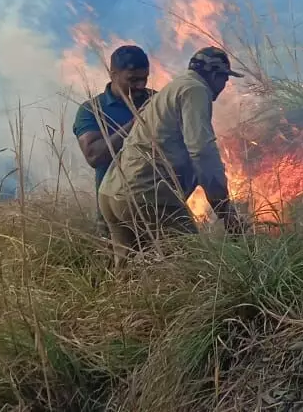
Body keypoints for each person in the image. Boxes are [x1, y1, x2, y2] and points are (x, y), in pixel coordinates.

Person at [98, 46, 246, 264]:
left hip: (112, 193)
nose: (224, 86)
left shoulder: (176, 86)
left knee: (128, 275)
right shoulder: (196, 89)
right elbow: (202, 151)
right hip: (146, 196)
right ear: (216, 75)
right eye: (225, 79)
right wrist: (224, 208)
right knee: (194, 264)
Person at [72, 45, 156, 238]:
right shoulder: (92, 110)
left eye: (144, 78)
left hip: (159, 210)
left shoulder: (157, 102)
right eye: (133, 79)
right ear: (113, 74)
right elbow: (94, 156)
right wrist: (137, 122)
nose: (140, 86)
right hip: (114, 216)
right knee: (120, 266)